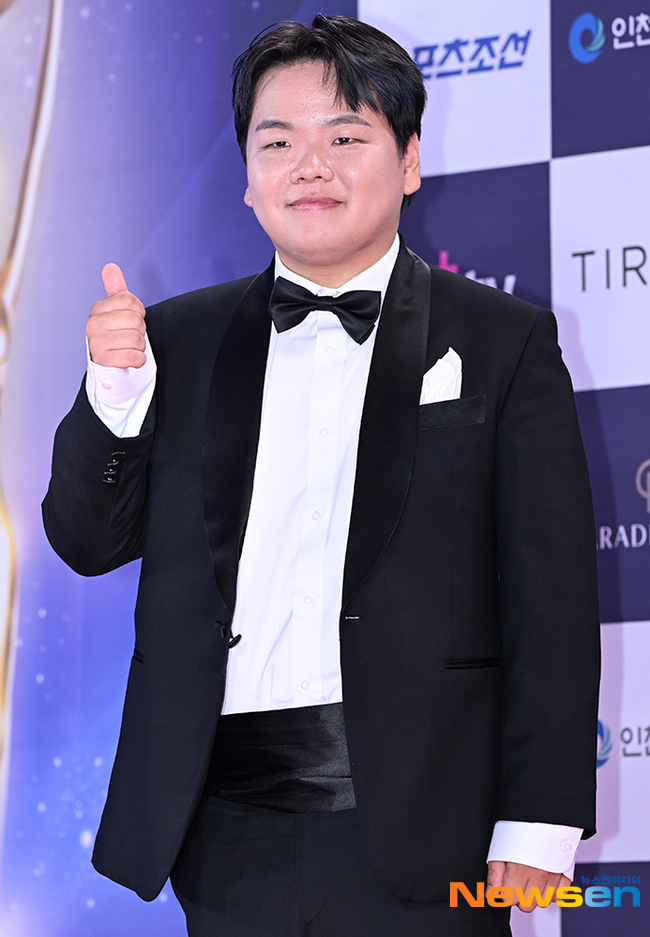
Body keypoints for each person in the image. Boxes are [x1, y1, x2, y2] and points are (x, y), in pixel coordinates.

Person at [42, 14, 600, 937]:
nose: (310, 165)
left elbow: (553, 595)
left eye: (345, 137)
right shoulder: (171, 339)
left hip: (428, 823)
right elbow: (87, 542)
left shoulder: (503, 341)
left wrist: (540, 818)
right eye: (278, 142)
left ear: (409, 160)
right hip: (218, 831)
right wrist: (115, 394)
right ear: (247, 177)